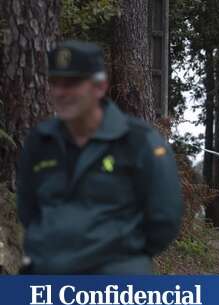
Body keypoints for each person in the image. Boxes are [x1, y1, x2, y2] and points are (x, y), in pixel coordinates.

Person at [16, 40, 183, 274]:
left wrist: (125, 259)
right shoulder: (40, 141)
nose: (61, 92)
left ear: (100, 87)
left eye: (72, 83)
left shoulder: (138, 141)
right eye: (55, 83)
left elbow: (164, 219)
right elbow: (27, 210)